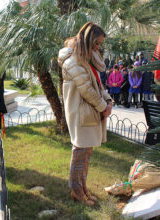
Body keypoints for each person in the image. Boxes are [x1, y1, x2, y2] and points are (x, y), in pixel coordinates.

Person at [58, 22, 113, 206]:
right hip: (81, 114)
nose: (98, 48)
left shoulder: (86, 59)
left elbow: (98, 85)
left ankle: (83, 188)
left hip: (88, 113)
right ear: (88, 40)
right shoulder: (73, 61)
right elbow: (87, 90)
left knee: (86, 153)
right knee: (80, 152)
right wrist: (103, 106)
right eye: (96, 43)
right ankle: (76, 191)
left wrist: (108, 101)